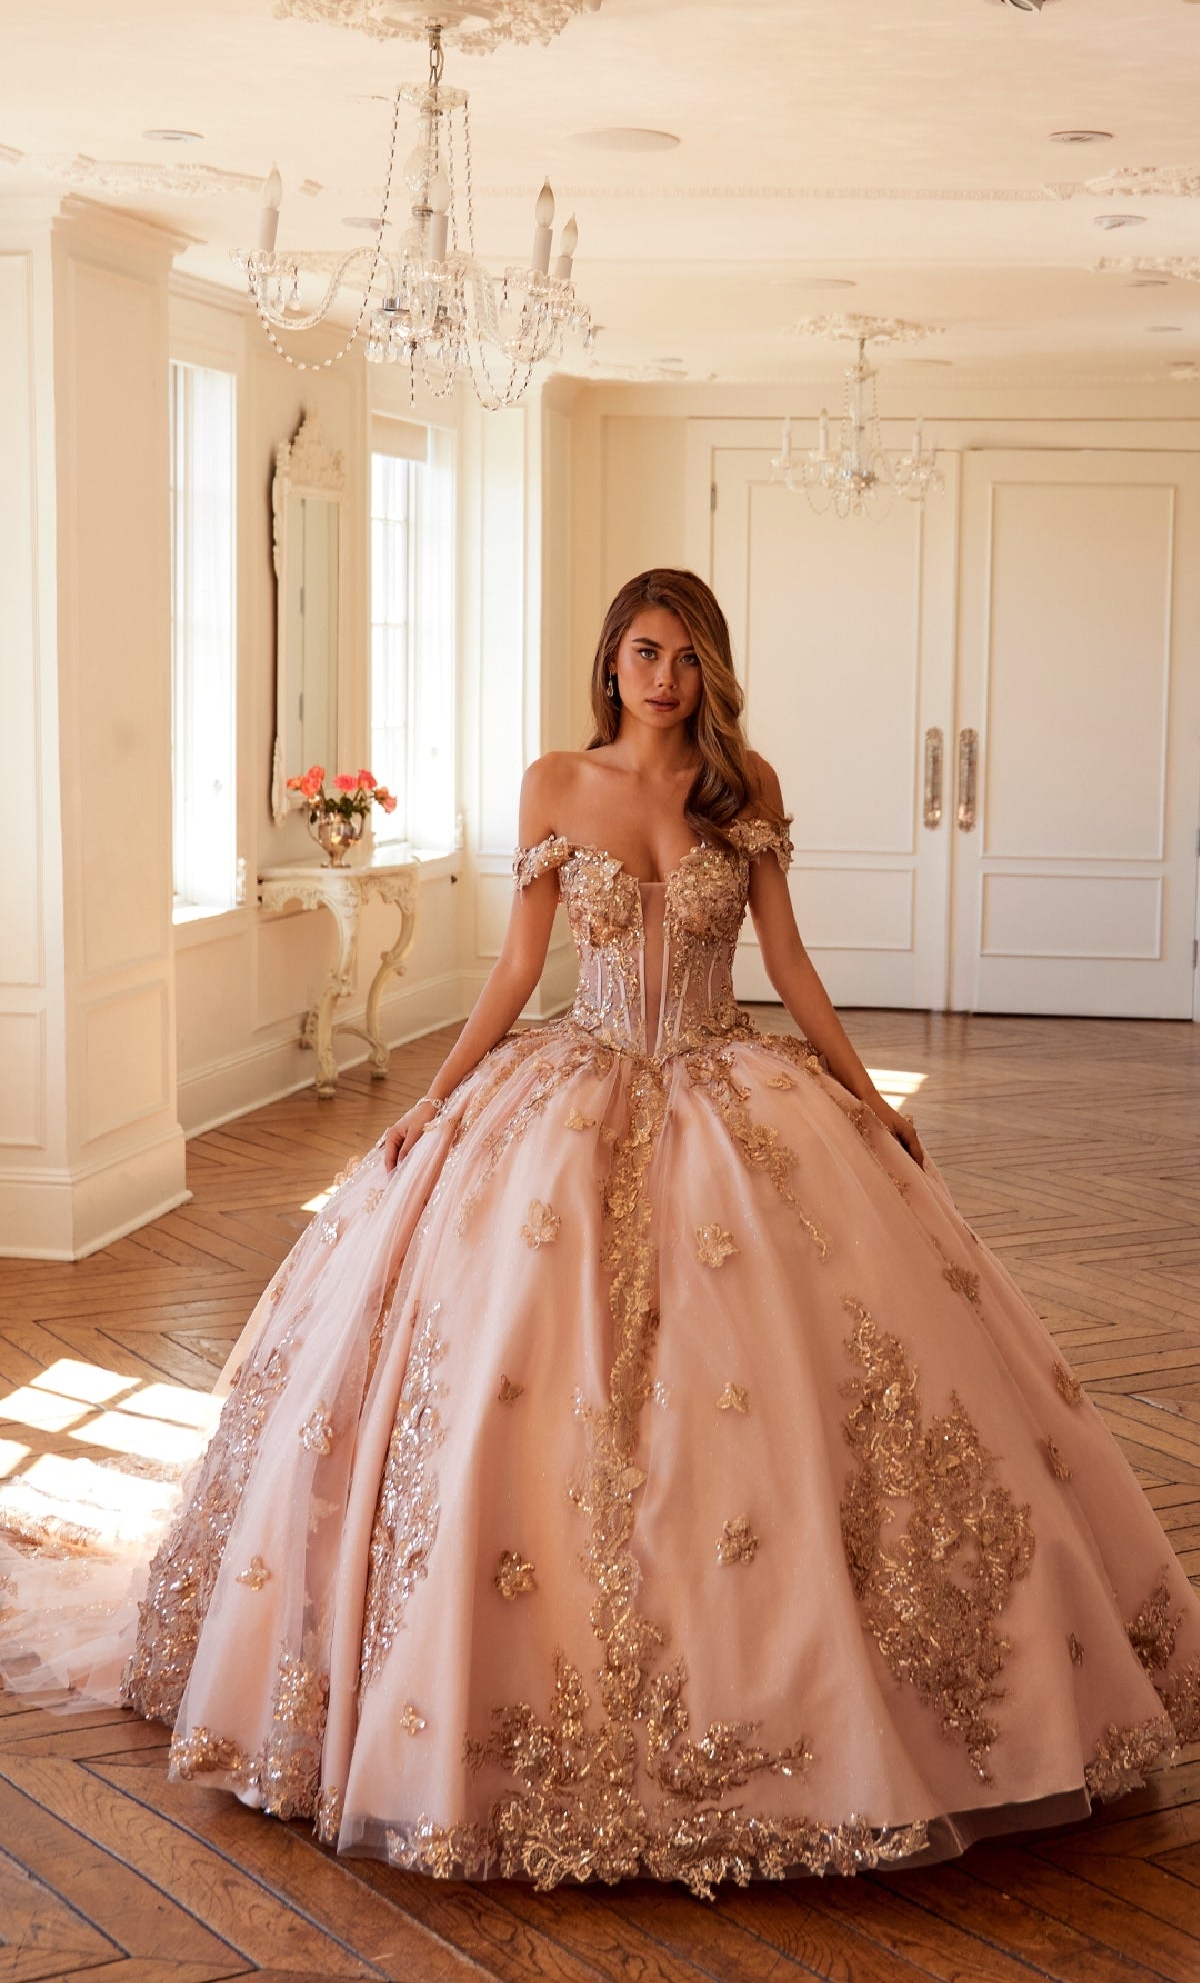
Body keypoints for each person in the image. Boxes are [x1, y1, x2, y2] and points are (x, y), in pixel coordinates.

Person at [2, 566, 1198, 1899]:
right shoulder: (553, 785)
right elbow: (520, 967)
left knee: (787, 1406)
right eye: (643, 650)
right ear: (609, 661)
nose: (664, 675)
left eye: (686, 655)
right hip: (566, 1094)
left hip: (727, 1089)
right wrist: (433, 1105)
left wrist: (869, 1102)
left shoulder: (745, 792)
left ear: (713, 669)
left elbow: (788, 965)